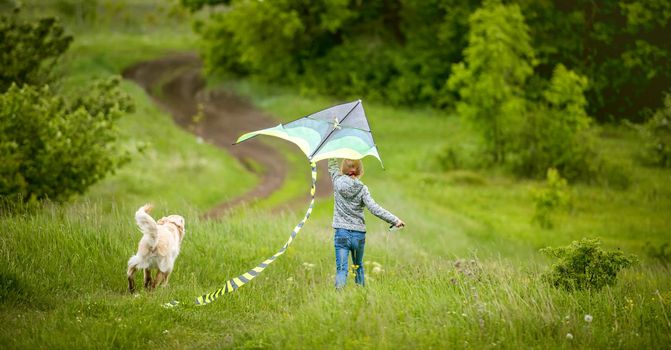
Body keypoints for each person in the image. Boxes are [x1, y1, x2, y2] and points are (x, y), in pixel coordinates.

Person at [328, 158, 405, 289]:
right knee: (358, 267)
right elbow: (375, 209)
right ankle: (361, 295)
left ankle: (339, 298)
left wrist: (333, 150)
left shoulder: (336, 181)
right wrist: (395, 220)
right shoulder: (362, 189)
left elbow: (332, 165)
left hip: (341, 233)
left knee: (342, 269)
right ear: (359, 170)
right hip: (358, 235)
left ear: (343, 169)